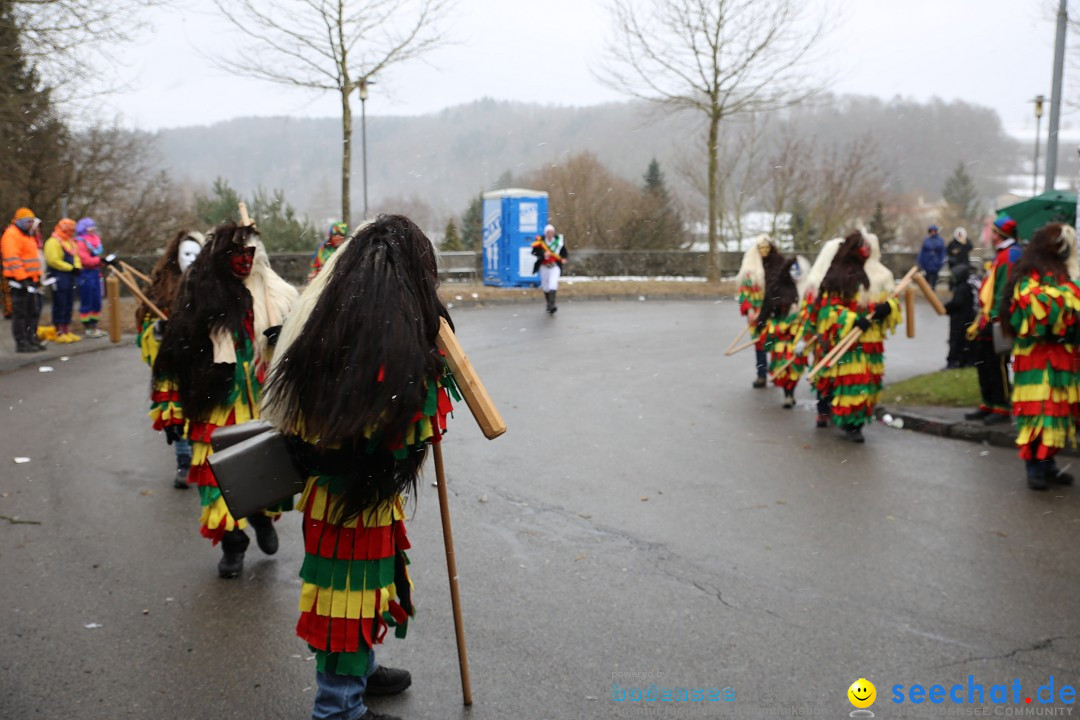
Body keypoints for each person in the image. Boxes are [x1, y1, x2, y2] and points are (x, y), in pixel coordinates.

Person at [263, 215, 458, 720]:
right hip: (342, 498)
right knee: (342, 598)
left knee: (366, 589)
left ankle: (361, 674)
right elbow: (382, 424)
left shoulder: (356, 326)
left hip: (364, 492)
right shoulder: (348, 340)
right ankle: (338, 708)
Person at [152, 221, 298, 578]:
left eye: (250, 253)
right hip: (214, 404)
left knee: (260, 472)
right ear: (221, 257)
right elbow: (173, 355)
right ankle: (233, 544)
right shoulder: (200, 294)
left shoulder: (270, 293)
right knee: (216, 480)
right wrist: (168, 405)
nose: (244, 261)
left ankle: (261, 518)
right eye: (236, 253)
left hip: (260, 402)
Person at [998, 222, 1080, 491]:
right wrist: (1070, 295)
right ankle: (1034, 467)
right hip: (1036, 356)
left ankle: (1048, 465)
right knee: (1037, 411)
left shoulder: (1064, 273)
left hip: (1062, 355)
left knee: (1057, 412)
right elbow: (1033, 305)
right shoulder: (1029, 272)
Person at [800, 230, 900, 443]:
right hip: (847, 340)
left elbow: (891, 301)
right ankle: (849, 423)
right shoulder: (838, 276)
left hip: (870, 340)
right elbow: (829, 310)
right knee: (846, 381)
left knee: (867, 382)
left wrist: (887, 308)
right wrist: (852, 319)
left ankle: (856, 421)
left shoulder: (879, 276)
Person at [136, 229, 205, 489]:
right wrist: (157, 332)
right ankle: (184, 461)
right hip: (172, 364)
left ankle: (203, 461)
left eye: (197, 254)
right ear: (176, 255)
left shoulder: (212, 285)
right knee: (176, 418)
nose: (191, 259)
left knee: (201, 412)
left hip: (201, 362)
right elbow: (145, 330)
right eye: (186, 254)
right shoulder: (162, 289)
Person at [965, 215, 1023, 425]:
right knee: (984, 362)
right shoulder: (1005, 254)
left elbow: (1004, 292)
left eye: (993, 232)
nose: (991, 236)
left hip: (997, 319)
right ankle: (988, 403)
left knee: (996, 363)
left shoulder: (1010, 256)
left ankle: (1001, 406)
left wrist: (996, 319)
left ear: (1000, 235)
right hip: (988, 317)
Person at [757, 256, 808, 407]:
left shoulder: (806, 286)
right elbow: (767, 307)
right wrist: (763, 324)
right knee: (782, 364)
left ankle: (790, 392)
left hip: (797, 331)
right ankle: (788, 394)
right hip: (780, 333)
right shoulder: (777, 287)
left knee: (795, 366)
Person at [735, 235, 784, 388]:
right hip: (756, 312)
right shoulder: (750, 270)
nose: (764, 251)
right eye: (761, 248)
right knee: (759, 343)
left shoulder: (778, 267)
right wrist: (749, 310)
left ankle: (776, 372)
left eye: (766, 248)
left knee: (776, 341)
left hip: (773, 311)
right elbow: (744, 292)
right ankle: (761, 374)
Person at [1, 207, 44, 352]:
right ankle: (21, 342)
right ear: (21, 221)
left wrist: (36, 277)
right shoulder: (11, 235)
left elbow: (32, 260)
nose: (31, 224)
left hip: (29, 281)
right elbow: (13, 260)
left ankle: (30, 338)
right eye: (29, 221)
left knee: (32, 311)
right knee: (20, 313)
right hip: (18, 282)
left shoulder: (27, 235)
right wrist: (22, 279)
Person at [43, 218, 82, 343]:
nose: (71, 233)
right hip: (58, 275)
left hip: (69, 276)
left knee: (69, 302)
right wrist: (71, 268)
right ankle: (58, 329)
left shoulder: (70, 242)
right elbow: (53, 260)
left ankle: (66, 328)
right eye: (69, 230)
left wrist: (77, 267)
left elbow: (76, 256)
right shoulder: (53, 242)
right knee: (60, 302)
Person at [944, 261, 979, 369]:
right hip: (967, 318)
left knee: (957, 340)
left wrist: (946, 307)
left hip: (960, 319)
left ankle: (954, 362)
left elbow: (957, 303)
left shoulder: (962, 288)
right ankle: (965, 361)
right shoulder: (968, 286)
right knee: (965, 341)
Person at [74, 217, 106, 337]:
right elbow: (84, 260)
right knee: (87, 301)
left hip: (96, 273)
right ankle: (88, 327)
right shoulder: (80, 241)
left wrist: (103, 262)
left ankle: (94, 325)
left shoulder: (96, 240)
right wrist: (99, 260)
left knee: (96, 301)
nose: (92, 229)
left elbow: (96, 258)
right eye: (89, 227)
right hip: (85, 274)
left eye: (93, 226)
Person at [531, 223, 567, 314]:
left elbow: (564, 253)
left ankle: (552, 305)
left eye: (551, 232)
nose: (550, 234)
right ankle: (548, 304)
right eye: (548, 232)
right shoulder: (540, 242)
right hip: (544, 267)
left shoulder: (558, 242)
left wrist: (563, 258)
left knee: (553, 284)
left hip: (554, 266)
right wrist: (543, 254)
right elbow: (534, 252)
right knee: (546, 286)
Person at [917, 225, 946, 289]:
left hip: (936, 264)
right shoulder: (926, 240)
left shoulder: (940, 241)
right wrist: (920, 261)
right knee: (927, 279)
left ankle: (933, 292)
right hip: (927, 264)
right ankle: (927, 292)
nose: (932, 233)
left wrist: (940, 262)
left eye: (934, 231)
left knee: (934, 279)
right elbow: (922, 252)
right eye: (931, 231)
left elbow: (942, 252)